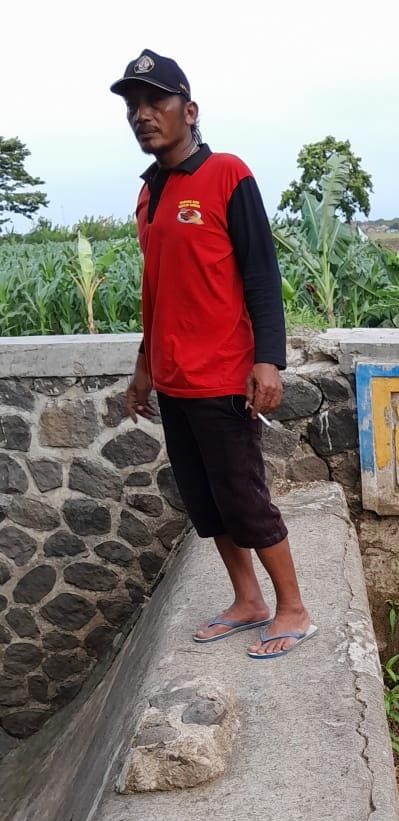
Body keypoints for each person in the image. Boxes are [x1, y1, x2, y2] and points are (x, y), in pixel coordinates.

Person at [111, 49, 315, 659]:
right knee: (206, 502)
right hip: (173, 380)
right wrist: (144, 369)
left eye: (156, 102)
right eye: (133, 107)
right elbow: (158, 293)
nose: (143, 115)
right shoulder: (150, 197)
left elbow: (259, 272)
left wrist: (268, 360)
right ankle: (247, 600)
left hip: (223, 375)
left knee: (245, 496)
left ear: (189, 110)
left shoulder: (227, 175)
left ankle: (294, 609)